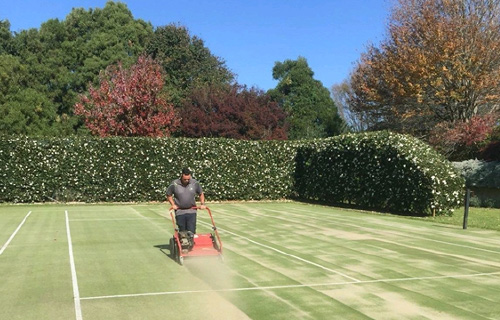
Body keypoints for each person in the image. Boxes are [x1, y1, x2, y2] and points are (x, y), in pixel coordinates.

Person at [166, 167, 206, 234]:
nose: (187, 181)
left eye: (188, 179)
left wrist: (202, 204)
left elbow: (201, 193)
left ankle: (191, 243)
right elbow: (168, 194)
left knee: (191, 231)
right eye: (185, 179)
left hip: (191, 210)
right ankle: (183, 243)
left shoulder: (194, 183)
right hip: (180, 211)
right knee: (182, 231)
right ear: (182, 175)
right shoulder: (174, 184)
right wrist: (173, 204)